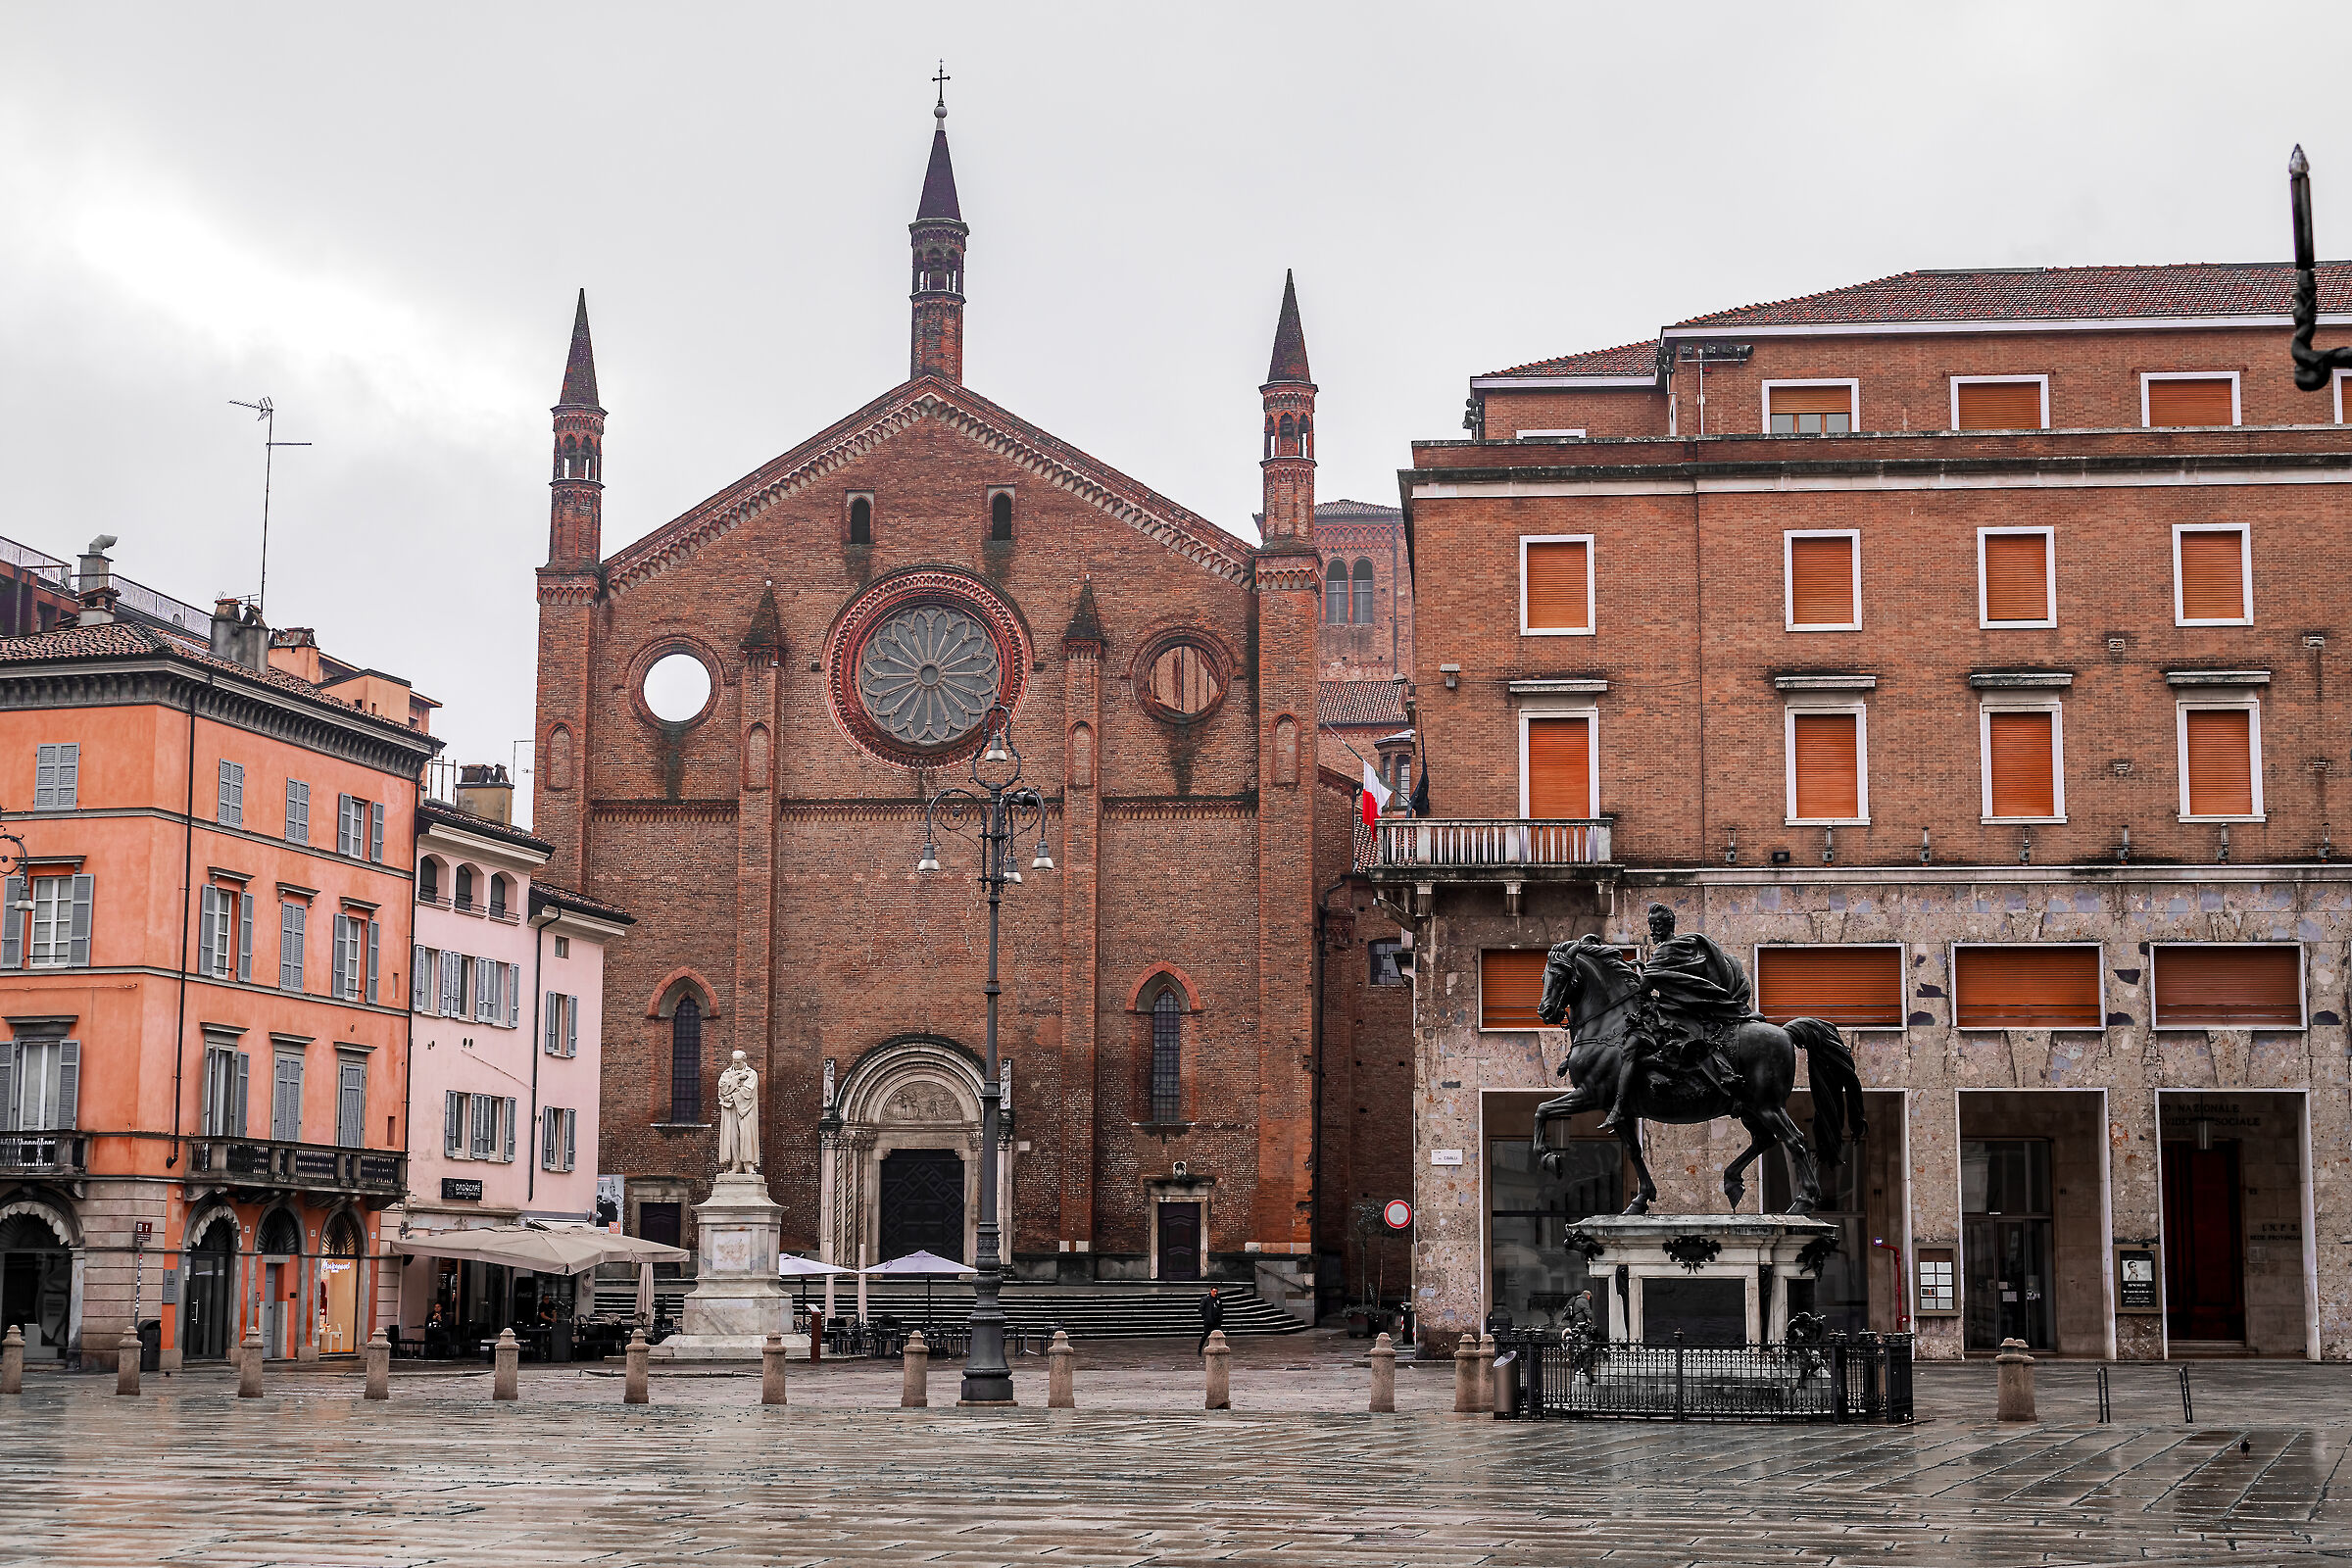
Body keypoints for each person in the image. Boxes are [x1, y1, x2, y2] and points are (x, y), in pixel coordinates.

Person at [1601, 904, 1756, 1133]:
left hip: (1675, 1014)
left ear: (1667, 927)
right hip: (1676, 1010)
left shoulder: (1666, 950)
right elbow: (1666, 978)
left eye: (1657, 926)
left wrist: (1629, 976)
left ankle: (1619, 1108)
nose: (1653, 930)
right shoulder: (1682, 947)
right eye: (1651, 925)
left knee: (1630, 1049)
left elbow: (1646, 985)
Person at [1197, 1286, 1223, 1356]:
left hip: (1216, 1320)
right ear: (1211, 1291)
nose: (1215, 1293)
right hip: (1209, 1320)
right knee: (1205, 1335)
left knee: (1217, 1334)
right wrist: (1206, 1316)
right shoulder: (1206, 1299)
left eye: (1216, 1292)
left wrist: (1220, 1316)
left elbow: (1220, 1308)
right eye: (1214, 1291)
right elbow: (1201, 1309)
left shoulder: (1218, 1299)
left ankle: (1217, 1348)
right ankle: (1200, 1348)